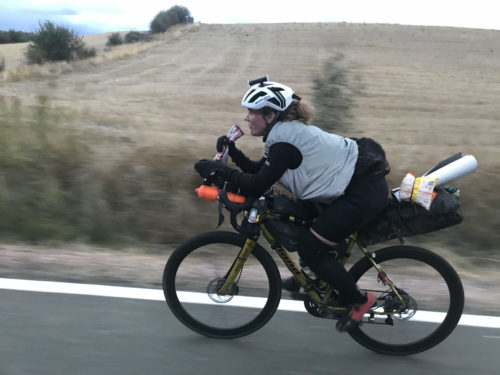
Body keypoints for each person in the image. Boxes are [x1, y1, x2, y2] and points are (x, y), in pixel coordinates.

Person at [194, 78, 390, 332]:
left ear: (270, 114)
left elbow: (256, 183)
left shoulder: (285, 141)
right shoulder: (283, 134)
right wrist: (233, 153)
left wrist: (217, 169)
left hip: (362, 192)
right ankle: (316, 276)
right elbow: (263, 171)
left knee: (311, 248)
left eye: (252, 112)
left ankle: (359, 301)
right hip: (354, 185)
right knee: (305, 222)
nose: (247, 118)